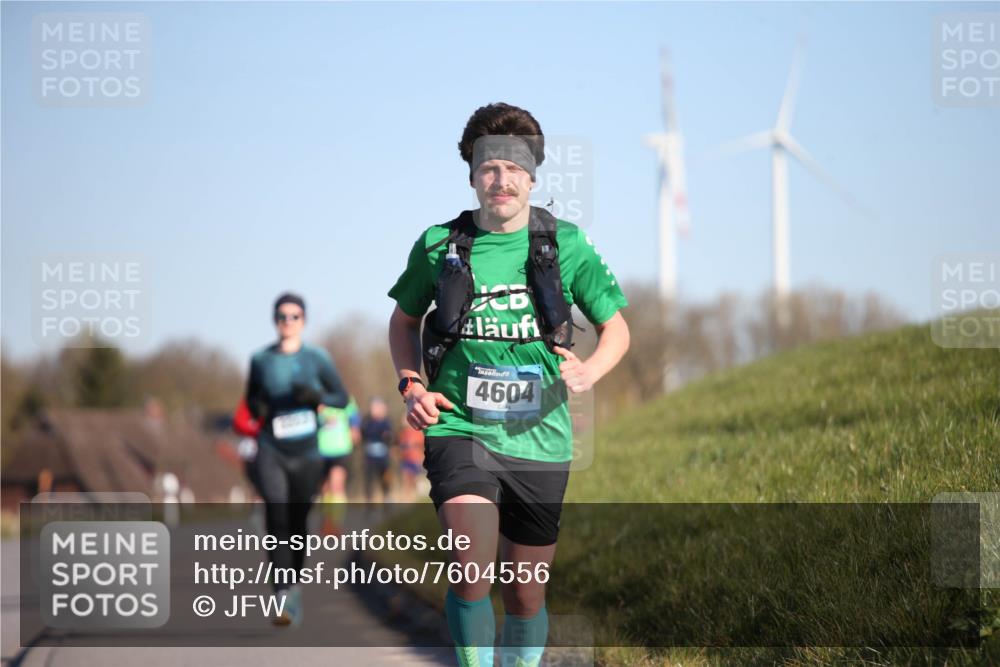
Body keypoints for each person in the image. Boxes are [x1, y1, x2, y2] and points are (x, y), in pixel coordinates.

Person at [387, 103, 630, 667]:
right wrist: (411, 384)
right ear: (472, 175)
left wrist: (589, 370)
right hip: (459, 424)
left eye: (513, 168)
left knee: (525, 592)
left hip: (540, 434)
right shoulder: (438, 244)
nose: (501, 179)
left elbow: (616, 328)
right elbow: (403, 321)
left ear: (533, 176)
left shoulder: (566, 243)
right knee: (471, 568)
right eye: (488, 167)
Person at [245, 292, 349, 627]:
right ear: (274, 320)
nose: (287, 322)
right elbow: (251, 400)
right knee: (276, 518)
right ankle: (282, 596)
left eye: (293, 317)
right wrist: (258, 407)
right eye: (281, 316)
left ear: (303, 320)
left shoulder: (317, 358)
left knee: (298, 522)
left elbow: (341, 397)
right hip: (271, 448)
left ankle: (294, 586)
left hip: (306, 451)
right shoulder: (261, 360)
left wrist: (316, 396)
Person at [318, 396, 360, 504]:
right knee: (325, 488)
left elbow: (354, 418)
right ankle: (327, 519)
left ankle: (336, 520)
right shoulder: (315, 398)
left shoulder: (343, 396)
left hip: (341, 449)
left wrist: (354, 429)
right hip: (321, 450)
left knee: (337, 485)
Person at [361, 397, 393, 503]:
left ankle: (387, 497)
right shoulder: (367, 421)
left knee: (384, 478)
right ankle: (370, 503)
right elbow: (363, 434)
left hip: (383, 456)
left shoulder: (386, 422)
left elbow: (390, 437)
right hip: (370, 456)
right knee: (369, 480)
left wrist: (386, 435)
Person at [395, 415, 425, 503]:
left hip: (415, 460)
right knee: (405, 478)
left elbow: (422, 446)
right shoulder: (402, 434)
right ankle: (406, 499)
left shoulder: (417, 432)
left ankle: (415, 498)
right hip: (405, 459)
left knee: (414, 480)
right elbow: (398, 446)